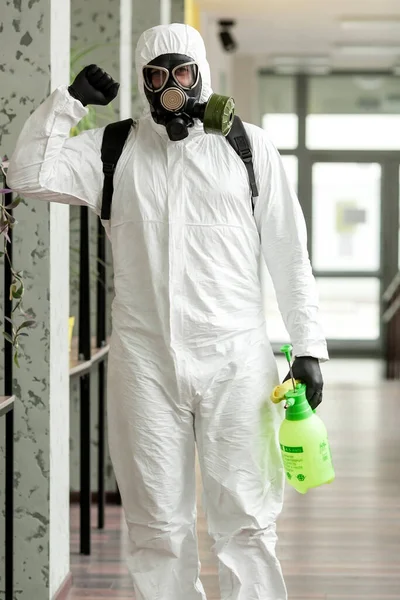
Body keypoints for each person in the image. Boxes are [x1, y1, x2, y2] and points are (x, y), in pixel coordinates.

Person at [8, 22, 328, 600]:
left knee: (248, 521)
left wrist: (308, 347)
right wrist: (70, 102)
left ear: (200, 73)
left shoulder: (248, 148)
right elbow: (27, 175)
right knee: (157, 528)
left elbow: (289, 254)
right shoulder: (113, 149)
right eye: (156, 76)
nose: (170, 87)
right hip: (145, 364)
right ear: (143, 82)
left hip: (237, 360)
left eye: (181, 72)